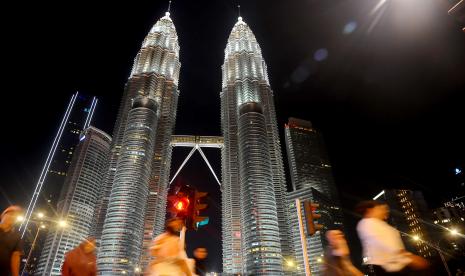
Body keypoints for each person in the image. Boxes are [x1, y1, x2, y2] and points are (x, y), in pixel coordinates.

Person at [355, 200, 429, 275]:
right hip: (385, 268)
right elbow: (384, 244)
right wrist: (409, 258)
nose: (385, 211)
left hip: (396, 266)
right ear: (370, 210)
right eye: (380, 208)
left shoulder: (379, 224)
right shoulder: (367, 223)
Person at [0, 205, 23, 276]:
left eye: (15, 216)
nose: (12, 216)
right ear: (2, 215)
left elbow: (15, 257)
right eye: (10, 213)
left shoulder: (17, 236)